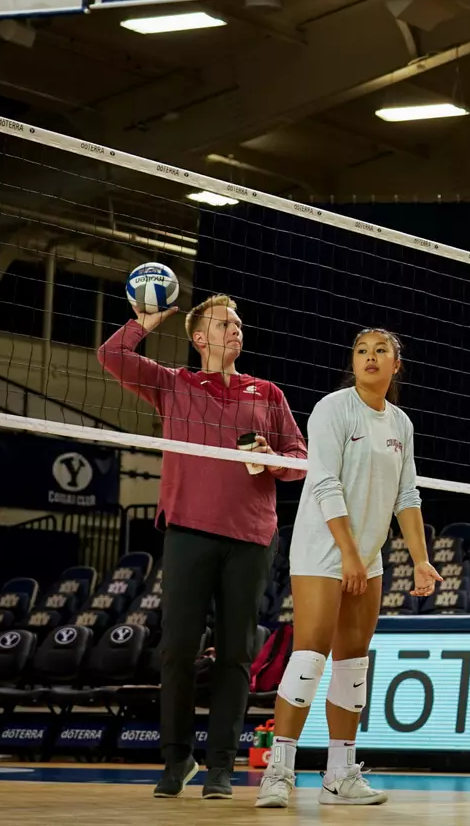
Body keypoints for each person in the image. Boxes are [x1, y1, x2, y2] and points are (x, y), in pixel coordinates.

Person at [99, 292, 308, 798]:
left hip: (251, 538)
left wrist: (272, 457)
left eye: (238, 323)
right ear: (199, 338)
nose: (235, 329)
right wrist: (141, 323)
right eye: (223, 324)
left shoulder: (267, 392)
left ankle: (220, 766)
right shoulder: (175, 384)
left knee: (236, 653)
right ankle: (177, 760)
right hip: (189, 531)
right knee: (177, 650)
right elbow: (111, 357)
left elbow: (299, 460)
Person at [255, 328, 439, 809]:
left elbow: (407, 496)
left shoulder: (401, 423)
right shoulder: (333, 409)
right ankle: (279, 770)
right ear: (353, 362)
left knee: (353, 663)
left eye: (381, 351)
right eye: (362, 351)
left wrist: (421, 560)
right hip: (323, 547)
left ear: (396, 365)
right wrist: (349, 555)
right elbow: (324, 483)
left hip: (369, 553)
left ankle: (340, 773)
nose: (370, 358)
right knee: (311, 654)